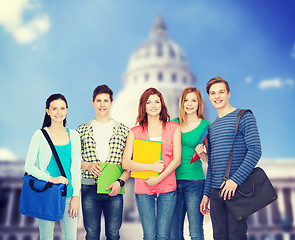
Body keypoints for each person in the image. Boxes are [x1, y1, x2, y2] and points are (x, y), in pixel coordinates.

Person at [200, 77, 262, 240]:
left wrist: (234, 181)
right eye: (212, 93)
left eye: (221, 92)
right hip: (215, 193)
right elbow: (212, 164)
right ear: (209, 97)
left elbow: (255, 150)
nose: (217, 96)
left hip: (237, 190)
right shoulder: (211, 127)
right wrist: (206, 193)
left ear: (228, 93)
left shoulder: (244, 116)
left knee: (237, 236)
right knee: (219, 237)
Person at [122, 87, 181, 240]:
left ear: (162, 104)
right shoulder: (135, 132)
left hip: (167, 186)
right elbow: (126, 163)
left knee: (163, 236)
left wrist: (159, 178)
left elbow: (177, 160)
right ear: (143, 106)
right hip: (143, 187)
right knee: (149, 235)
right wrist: (151, 167)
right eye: (149, 102)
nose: (153, 105)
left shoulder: (173, 127)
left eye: (157, 101)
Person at [24, 93, 81, 240]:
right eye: (54, 108)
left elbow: (75, 167)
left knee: (70, 237)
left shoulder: (74, 135)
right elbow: (29, 166)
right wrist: (51, 179)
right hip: (47, 193)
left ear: (67, 110)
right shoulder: (40, 135)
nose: (58, 112)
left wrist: (76, 196)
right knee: (46, 237)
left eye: (62, 108)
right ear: (47, 111)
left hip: (69, 195)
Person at [77, 84, 129, 240]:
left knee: (113, 235)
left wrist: (120, 183)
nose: (102, 104)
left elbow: (129, 165)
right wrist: (87, 165)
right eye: (98, 100)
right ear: (93, 102)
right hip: (89, 188)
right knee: (92, 234)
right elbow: (72, 160)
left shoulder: (124, 130)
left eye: (105, 100)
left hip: (114, 188)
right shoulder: (81, 130)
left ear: (111, 102)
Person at [170, 87, 210, 240]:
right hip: (173, 182)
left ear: (199, 103)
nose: (189, 104)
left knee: (196, 231)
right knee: (174, 232)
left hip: (195, 182)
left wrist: (201, 153)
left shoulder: (205, 125)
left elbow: (209, 159)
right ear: (181, 103)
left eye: (193, 100)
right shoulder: (174, 123)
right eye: (186, 100)